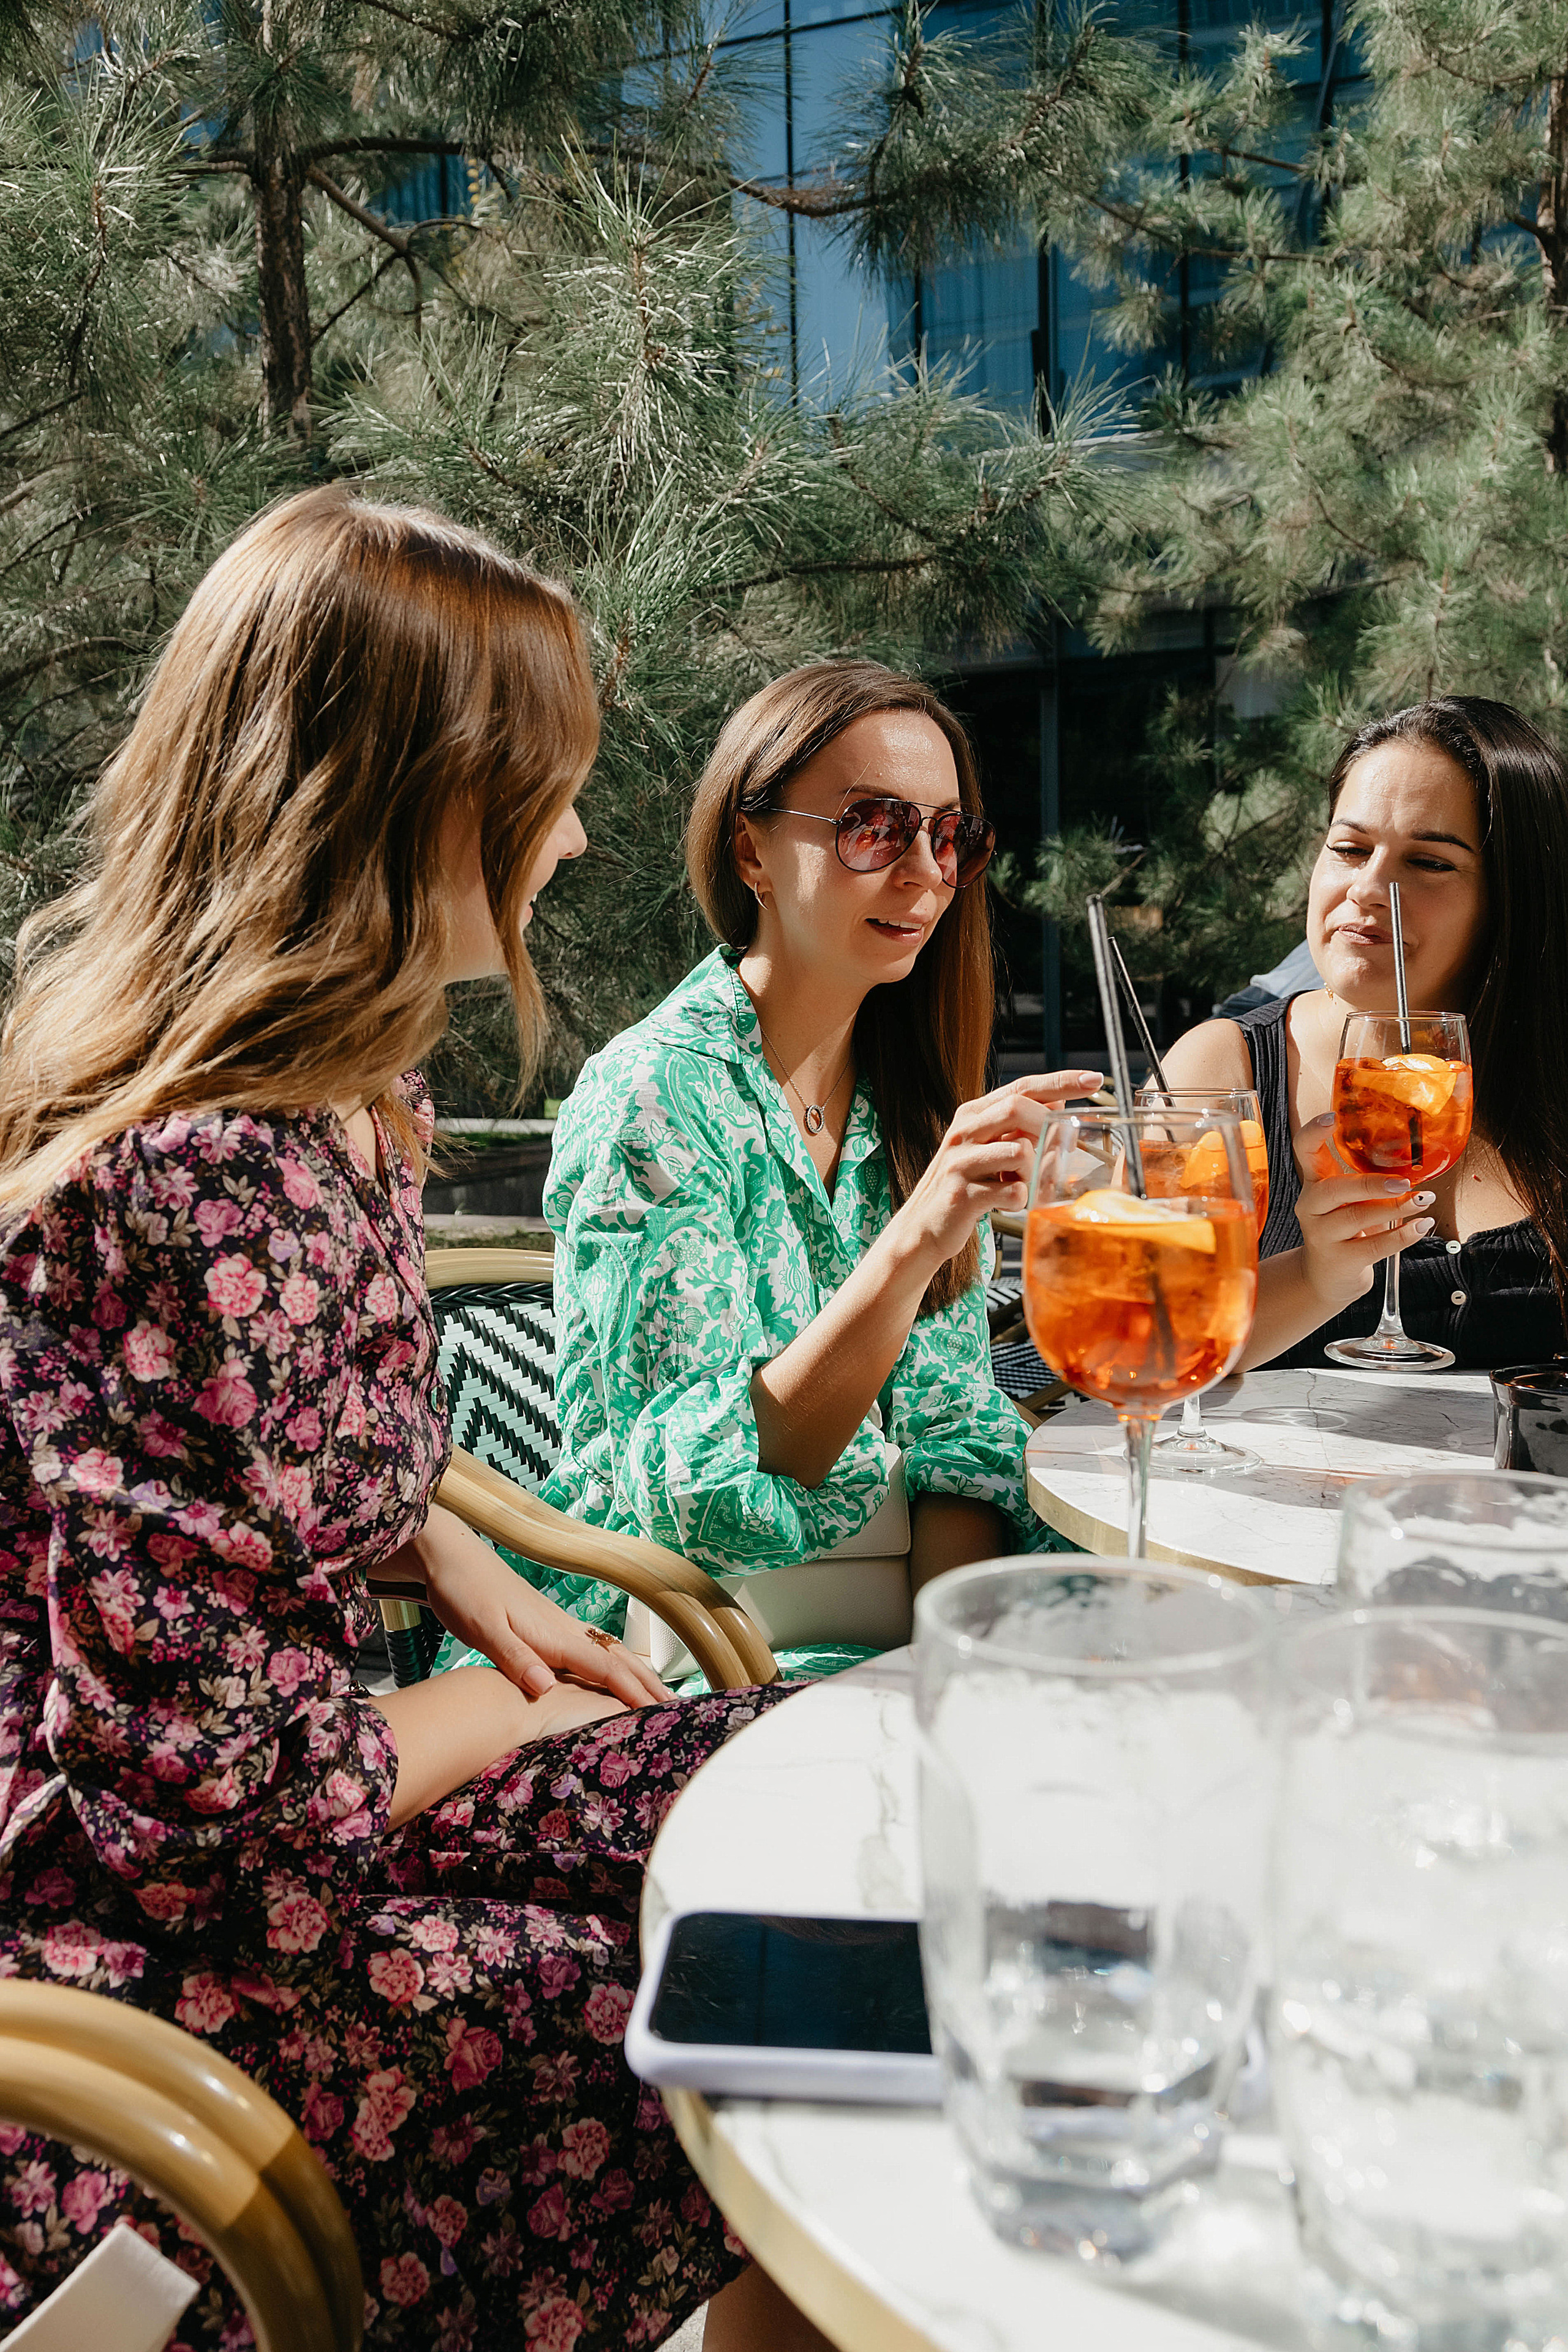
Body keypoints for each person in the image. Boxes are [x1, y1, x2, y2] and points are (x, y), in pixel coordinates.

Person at [0, 486, 828, 2351]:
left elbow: (265, 1438)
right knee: (734, 2017)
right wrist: (504, 1700)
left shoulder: (345, 1097)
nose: (586, 833)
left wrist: (421, 1528)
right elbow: (214, 1822)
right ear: (407, 803)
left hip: (272, 1834)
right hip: (130, 1978)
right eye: (551, 784)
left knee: (812, 1793)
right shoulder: (195, 1185)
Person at [529, 660, 1102, 1681]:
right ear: (750, 849)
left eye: (951, 835)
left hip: (893, 1644)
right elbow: (698, 1497)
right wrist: (916, 1240)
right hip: (675, 1650)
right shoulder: (652, 1099)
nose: (924, 871)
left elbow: (957, 1454)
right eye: (873, 828)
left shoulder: (911, 1103)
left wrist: (945, 1677)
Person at [1164, 695, 1568, 1370]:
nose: (1369, 887)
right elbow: (1149, 1340)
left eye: (1430, 863)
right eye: (1349, 849)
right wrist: (1316, 1274)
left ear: (1512, 894)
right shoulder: (1223, 1067)